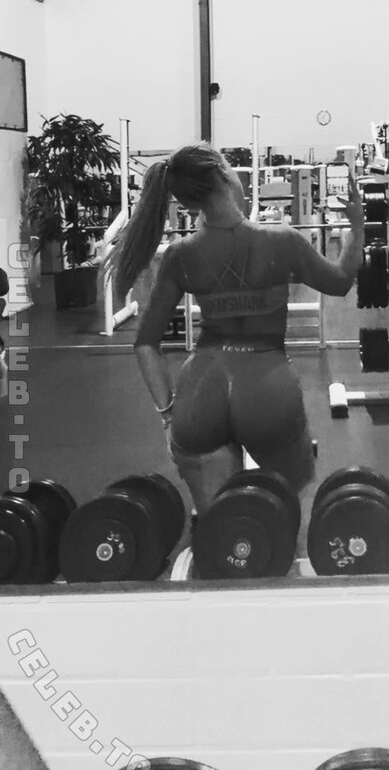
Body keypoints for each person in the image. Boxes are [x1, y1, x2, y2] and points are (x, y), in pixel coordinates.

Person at [104, 143, 364, 514]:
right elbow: (340, 282)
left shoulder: (180, 254)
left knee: (220, 523)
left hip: (202, 390)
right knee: (279, 516)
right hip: (268, 389)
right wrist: (356, 227)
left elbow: (145, 344)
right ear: (224, 176)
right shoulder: (283, 240)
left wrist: (169, 416)